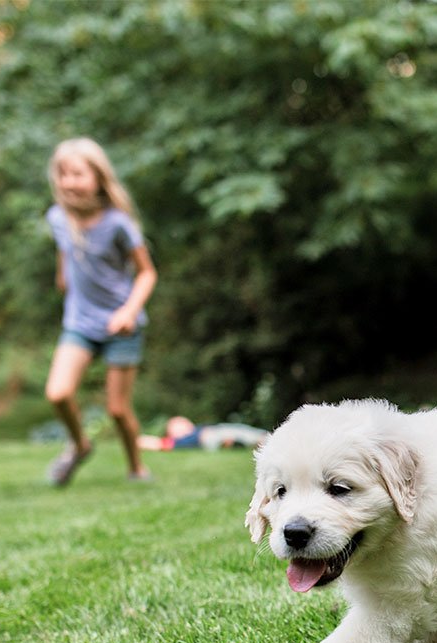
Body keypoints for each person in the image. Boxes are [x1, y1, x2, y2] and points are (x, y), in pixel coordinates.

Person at [41, 138, 159, 486]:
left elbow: (147, 273)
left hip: (121, 325)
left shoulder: (118, 224)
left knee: (118, 409)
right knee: (58, 393)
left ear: (98, 178)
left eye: (77, 174)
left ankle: (137, 468)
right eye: (63, 174)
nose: (69, 182)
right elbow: (67, 252)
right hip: (79, 322)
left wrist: (128, 311)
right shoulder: (57, 218)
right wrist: (65, 279)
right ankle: (79, 445)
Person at [138, 416, 268, 452]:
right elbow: (157, 443)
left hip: (217, 431)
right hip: (210, 437)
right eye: (177, 423)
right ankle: (264, 439)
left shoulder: (195, 430)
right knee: (239, 433)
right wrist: (135, 440)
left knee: (239, 430)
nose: (183, 422)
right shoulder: (178, 441)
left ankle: (233, 443)